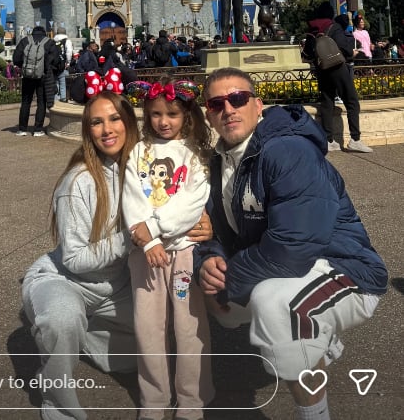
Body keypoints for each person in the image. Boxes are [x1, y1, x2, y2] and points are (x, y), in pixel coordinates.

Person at [194, 67, 387, 420]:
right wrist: (209, 261)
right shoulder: (218, 161)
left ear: (258, 105)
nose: (229, 109)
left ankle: (314, 413)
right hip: (284, 267)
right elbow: (206, 229)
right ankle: (316, 338)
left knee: (276, 305)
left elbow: (293, 247)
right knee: (200, 295)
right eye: (217, 103)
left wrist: (228, 284)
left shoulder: (286, 150)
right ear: (208, 112)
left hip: (344, 268)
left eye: (238, 98)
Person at [22, 90, 211, 420]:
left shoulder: (143, 166)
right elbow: (75, 260)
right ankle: (57, 400)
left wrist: (202, 223)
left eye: (115, 119)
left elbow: (180, 203)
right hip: (67, 281)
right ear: (88, 130)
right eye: (96, 122)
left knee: (158, 337)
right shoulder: (78, 181)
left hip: (116, 288)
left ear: (129, 123)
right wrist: (136, 237)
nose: (107, 129)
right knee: (62, 318)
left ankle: (78, 336)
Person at [123, 76, 215, 420]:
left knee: (189, 328)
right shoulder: (138, 151)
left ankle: (193, 398)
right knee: (148, 328)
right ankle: (154, 399)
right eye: (157, 114)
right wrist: (148, 240)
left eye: (172, 114)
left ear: (185, 116)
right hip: (145, 255)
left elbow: (193, 203)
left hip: (184, 253)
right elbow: (132, 196)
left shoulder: (194, 153)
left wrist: (156, 231)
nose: (164, 122)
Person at [304, 3, 372, 153]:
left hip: (322, 70)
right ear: (330, 14)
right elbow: (345, 47)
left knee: (327, 102)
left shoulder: (312, 31)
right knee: (352, 100)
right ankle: (355, 139)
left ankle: (329, 140)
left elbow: (307, 52)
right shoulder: (333, 27)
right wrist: (351, 53)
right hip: (337, 68)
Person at [12, 25, 60, 137]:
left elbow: (16, 59)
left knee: (25, 102)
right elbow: (56, 60)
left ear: (33, 32)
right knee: (41, 102)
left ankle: (22, 129)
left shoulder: (25, 41)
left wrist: (26, 67)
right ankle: (38, 129)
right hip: (42, 76)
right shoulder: (49, 42)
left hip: (27, 76)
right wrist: (46, 68)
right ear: (44, 32)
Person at [53, 26, 73, 102]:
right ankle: (63, 99)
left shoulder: (53, 41)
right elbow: (69, 53)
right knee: (63, 83)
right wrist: (68, 62)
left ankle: (56, 99)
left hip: (54, 66)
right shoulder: (67, 41)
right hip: (63, 65)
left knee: (56, 82)